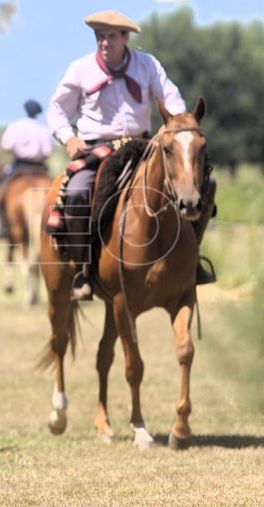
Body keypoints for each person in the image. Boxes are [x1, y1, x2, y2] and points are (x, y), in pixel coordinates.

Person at [45, 10, 217, 300]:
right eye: (99, 37)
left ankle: (192, 259)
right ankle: (83, 271)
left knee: (205, 184)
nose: (103, 43)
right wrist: (69, 137)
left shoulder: (147, 65)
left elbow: (172, 100)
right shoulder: (80, 69)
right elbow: (57, 110)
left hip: (143, 146)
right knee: (76, 193)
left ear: (125, 38)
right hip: (96, 149)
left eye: (111, 36)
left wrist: (175, 129)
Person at [0, 99, 54, 238]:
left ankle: (4, 226)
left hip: (19, 167)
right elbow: (48, 152)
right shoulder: (43, 129)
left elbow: (7, 146)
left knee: (0, 193)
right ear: (38, 113)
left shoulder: (15, 126)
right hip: (40, 168)